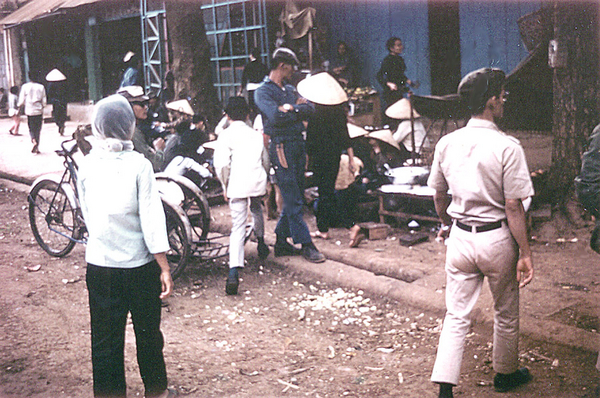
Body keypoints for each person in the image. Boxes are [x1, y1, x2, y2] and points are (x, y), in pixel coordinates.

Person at [427, 67, 534, 398]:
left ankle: (445, 386)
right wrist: (526, 253)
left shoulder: (447, 142)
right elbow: (514, 206)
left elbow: (439, 195)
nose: (503, 100)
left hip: (460, 235)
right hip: (497, 237)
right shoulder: (507, 146)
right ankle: (505, 373)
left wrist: (448, 223)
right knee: (505, 310)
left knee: (456, 313)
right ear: (491, 100)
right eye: (501, 95)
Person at [76, 94, 175, 398]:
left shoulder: (87, 165)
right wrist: (164, 267)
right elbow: (151, 220)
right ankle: (156, 390)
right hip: (140, 265)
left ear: (98, 126)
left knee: (104, 339)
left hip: (101, 265)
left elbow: (88, 214)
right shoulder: (140, 165)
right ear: (129, 126)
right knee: (148, 333)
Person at [254, 47, 325, 263]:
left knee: (294, 191)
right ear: (283, 66)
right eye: (291, 67)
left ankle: (282, 242)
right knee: (293, 197)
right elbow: (275, 117)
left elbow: (311, 109)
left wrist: (289, 109)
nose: (293, 71)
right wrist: (296, 109)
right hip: (281, 146)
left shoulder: (289, 90)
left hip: (296, 144)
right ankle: (306, 244)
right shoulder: (263, 91)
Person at [214, 96, 270, 295]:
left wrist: (224, 184)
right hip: (256, 180)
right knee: (256, 208)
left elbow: (221, 165)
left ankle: (233, 271)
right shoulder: (256, 135)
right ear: (247, 114)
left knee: (238, 225)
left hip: (236, 183)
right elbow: (265, 159)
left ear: (227, 116)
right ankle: (261, 242)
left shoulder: (225, 136)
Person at [297, 72, 356, 240]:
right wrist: (351, 159)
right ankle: (324, 229)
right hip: (335, 156)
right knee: (327, 192)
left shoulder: (314, 114)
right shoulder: (338, 112)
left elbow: (310, 142)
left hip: (319, 158)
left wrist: (307, 162)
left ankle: (351, 226)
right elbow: (346, 137)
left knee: (325, 194)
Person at [118, 86, 166, 172]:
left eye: (146, 104)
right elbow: (155, 163)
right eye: (141, 104)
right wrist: (159, 150)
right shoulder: (132, 132)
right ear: (128, 106)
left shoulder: (121, 128)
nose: (146, 107)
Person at [376, 37, 413, 127]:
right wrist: (388, 83)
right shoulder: (387, 60)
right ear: (391, 48)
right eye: (398, 45)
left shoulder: (399, 59)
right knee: (393, 115)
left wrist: (407, 81)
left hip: (399, 90)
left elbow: (399, 74)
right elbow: (379, 76)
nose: (401, 47)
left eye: (401, 44)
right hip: (391, 92)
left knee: (400, 113)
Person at [18, 71, 47, 154]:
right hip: (38, 110)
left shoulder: (25, 87)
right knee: (38, 128)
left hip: (29, 110)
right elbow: (44, 101)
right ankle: (37, 146)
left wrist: (19, 106)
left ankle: (33, 140)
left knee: (31, 128)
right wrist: (42, 106)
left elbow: (21, 100)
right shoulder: (41, 87)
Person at [240, 47, 269, 116]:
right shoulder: (263, 66)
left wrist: (241, 89)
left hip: (251, 88)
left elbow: (244, 78)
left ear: (251, 55)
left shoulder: (248, 66)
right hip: (261, 87)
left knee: (252, 106)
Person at [46, 68, 68, 135]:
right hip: (63, 100)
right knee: (63, 113)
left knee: (56, 114)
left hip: (55, 101)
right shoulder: (64, 83)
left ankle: (59, 125)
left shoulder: (51, 84)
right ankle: (62, 124)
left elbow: (49, 93)